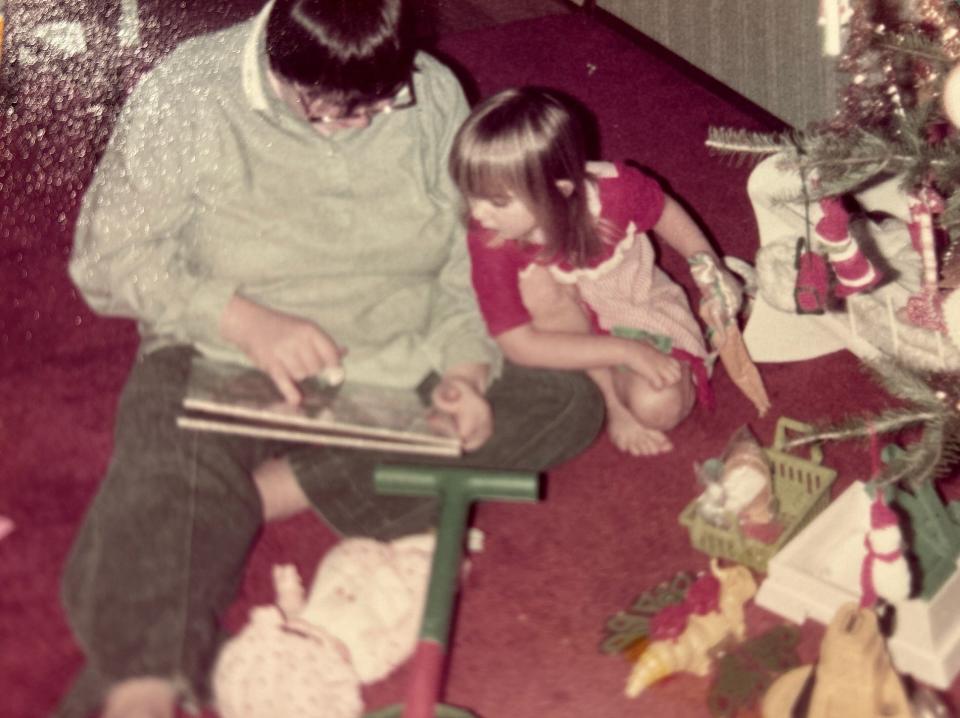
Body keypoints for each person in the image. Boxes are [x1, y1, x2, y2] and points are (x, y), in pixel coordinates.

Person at [56, 4, 604, 717]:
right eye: (323, 109)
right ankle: (146, 688)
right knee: (166, 437)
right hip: (230, 357)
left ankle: (259, 493)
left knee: (567, 401)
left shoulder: (432, 91)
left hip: (398, 362)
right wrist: (241, 318)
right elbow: (106, 259)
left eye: (378, 103)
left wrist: (467, 371)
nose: (356, 126)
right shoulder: (186, 91)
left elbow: (462, 262)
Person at [449, 86, 743, 457]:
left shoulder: (614, 193)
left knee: (659, 406)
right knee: (534, 283)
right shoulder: (489, 236)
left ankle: (624, 382)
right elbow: (518, 344)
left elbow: (663, 210)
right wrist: (627, 352)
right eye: (470, 194)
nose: (477, 214)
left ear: (560, 192)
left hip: (634, 302)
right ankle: (611, 399)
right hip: (564, 328)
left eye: (496, 201)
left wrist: (707, 265)